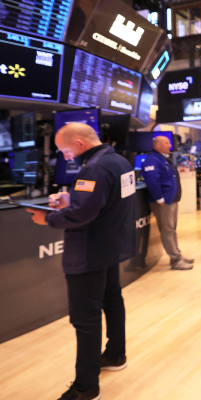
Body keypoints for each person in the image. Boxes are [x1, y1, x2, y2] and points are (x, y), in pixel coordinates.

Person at [27, 123, 137, 400]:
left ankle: (86, 386)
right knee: (112, 301)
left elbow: (82, 215)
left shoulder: (93, 168)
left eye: (64, 150)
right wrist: (70, 198)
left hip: (89, 251)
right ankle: (115, 354)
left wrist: (47, 218)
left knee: (84, 319)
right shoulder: (119, 160)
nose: (64, 156)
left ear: (78, 142)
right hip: (110, 246)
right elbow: (103, 202)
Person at [143, 135, 194, 270]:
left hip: (171, 200)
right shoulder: (152, 160)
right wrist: (160, 199)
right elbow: (152, 181)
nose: (170, 145)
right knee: (167, 231)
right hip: (163, 202)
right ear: (157, 145)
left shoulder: (163, 159)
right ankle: (176, 260)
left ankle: (177, 255)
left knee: (171, 230)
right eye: (166, 143)